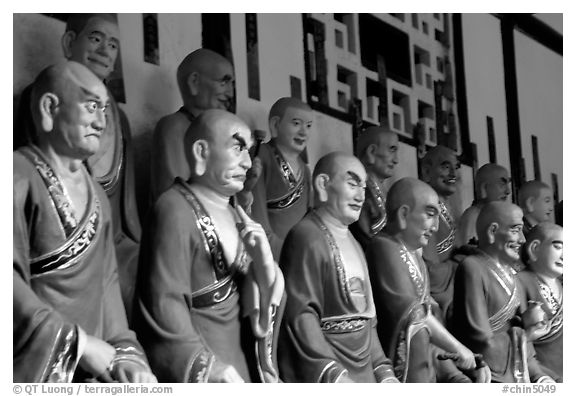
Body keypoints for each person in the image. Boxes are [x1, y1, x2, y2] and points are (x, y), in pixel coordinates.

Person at [13, 61, 156, 383]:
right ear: (50, 107)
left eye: (105, 109)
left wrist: (125, 352)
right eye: (91, 106)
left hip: (93, 362)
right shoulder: (17, 175)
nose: (102, 121)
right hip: (40, 362)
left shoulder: (97, 195)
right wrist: (76, 343)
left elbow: (107, 285)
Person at [134, 109, 284, 383]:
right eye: (238, 147)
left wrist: (264, 265)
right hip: (205, 364)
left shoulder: (238, 213)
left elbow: (259, 310)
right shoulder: (174, 209)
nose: (248, 163)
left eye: (249, 151)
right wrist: (207, 367)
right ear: (201, 152)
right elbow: (164, 307)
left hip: (243, 362)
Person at [15, 14, 142, 324]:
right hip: (56, 238)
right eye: (96, 39)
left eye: (113, 45)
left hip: (112, 235)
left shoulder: (119, 118)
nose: (105, 50)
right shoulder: (40, 99)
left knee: (151, 270)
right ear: (70, 42)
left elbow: (126, 204)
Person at [278, 152, 398, 383]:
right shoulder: (307, 236)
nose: (360, 196)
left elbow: (367, 320)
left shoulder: (354, 243)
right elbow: (301, 316)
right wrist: (333, 373)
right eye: (352, 184)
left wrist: (383, 370)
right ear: (323, 184)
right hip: (328, 366)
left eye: (363, 188)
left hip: (364, 367)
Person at [366, 178, 483, 383]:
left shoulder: (415, 258)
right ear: (403, 215)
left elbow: (429, 322)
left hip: (425, 367)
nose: (436, 227)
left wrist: (454, 373)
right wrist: (458, 348)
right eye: (430, 215)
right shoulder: (383, 247)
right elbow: (413, 314)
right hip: (400, 369)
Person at [451, 202, 554, 383]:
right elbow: (480, 340)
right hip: (489, 372)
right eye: (516, 230)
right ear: (492, 232)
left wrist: (539, 376)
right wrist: (526, 336)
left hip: (516, 368)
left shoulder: (514, 276)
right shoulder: (472, 268)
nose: (523, 239)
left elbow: (525, 346)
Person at [150, 48, 235, 202]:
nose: (230, 93)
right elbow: (176, 192)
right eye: (223, 82)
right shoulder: (174, 127)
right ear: (194, 82)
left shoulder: (217, 133)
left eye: (232, 84)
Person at [249, 97, 314, 259]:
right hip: (269, 251)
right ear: (275, 125)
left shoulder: (305, 169)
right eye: (296, 123)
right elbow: (256, 215)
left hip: (298, 251)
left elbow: (308, 219)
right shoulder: (261, 156)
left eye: (308, 126)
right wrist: (279, 250)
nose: (303, 132)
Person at [517, 223, 563, 382]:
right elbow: (519, 339)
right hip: (544, 370)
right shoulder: (521, 283)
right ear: (534, 248)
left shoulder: (562, 284)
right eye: (558, 247)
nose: (564, 255)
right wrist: (539, 375)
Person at [419, 145, 460, 321]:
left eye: (455, 167)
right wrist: (460, 264)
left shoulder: (447, 209)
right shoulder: (423, 208)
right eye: (445, 167)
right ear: (427, 172)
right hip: (436, 294)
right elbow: (431, 272)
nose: (453, 174)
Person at [350, 126, 399, 249]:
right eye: (392, 150)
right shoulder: (361, 194)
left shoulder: (385, 194)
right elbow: (365, 239)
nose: (396, 160)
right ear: (371, 152)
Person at [456, 163, 511, 247]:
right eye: (502, 184)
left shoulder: (499, 217)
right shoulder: (474, 217)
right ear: (484, 188)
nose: (508, 191)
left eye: (508, 184)